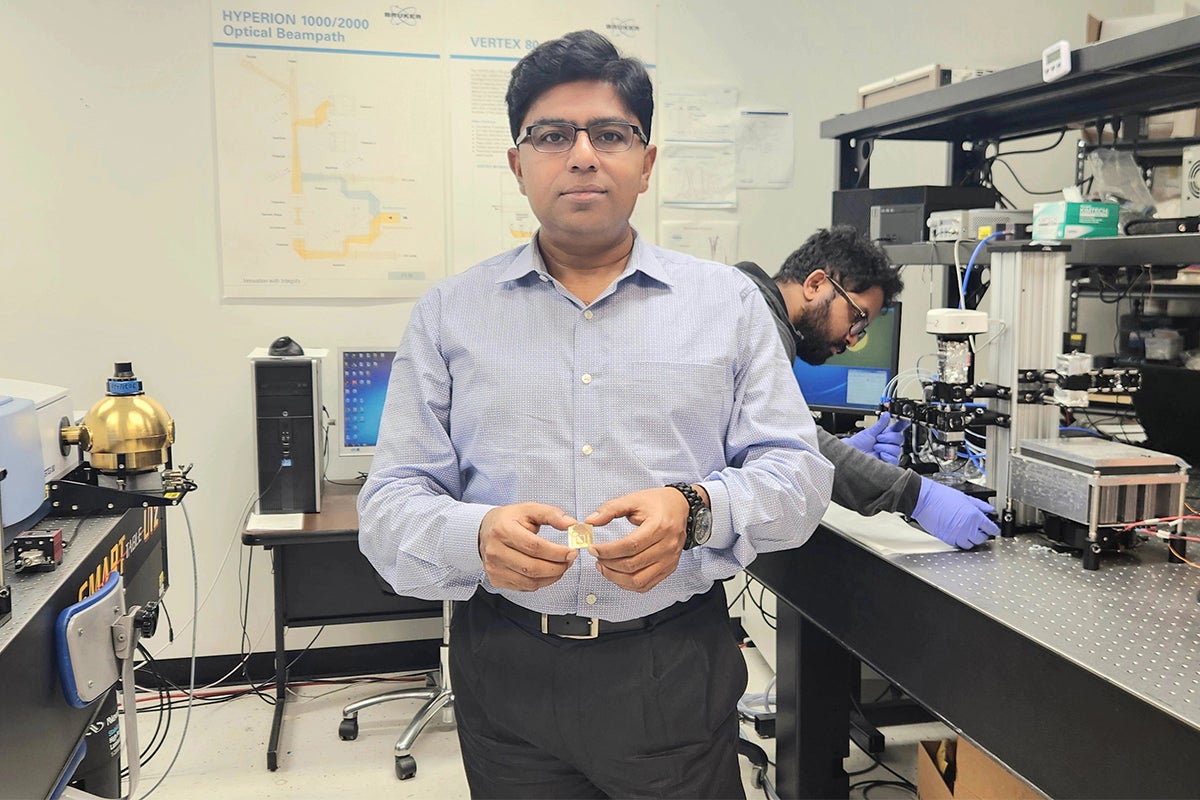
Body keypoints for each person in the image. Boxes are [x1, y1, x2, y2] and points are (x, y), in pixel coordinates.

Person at [358, 30, 834, 800]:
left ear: (645, 162)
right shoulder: (451, 315)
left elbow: (798, 476)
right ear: (518, 164)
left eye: (610, 134)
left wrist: (697, 509)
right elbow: (388, 506)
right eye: (552, 135)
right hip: (504, 669)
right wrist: (472, 536)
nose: (582, 154)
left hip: (671, 667)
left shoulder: (727, 306)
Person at [735, 226, 1000, 550]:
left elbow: (770, 436)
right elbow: (787, 439)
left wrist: (835, 457)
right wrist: (917, 496)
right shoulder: (757, 324)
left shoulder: (744, 302)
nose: (853, 338)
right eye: (857, 318)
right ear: (816, 284)